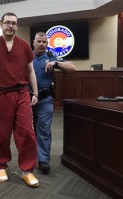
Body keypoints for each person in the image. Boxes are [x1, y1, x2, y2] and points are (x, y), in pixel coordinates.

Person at [0, 12, 39, 188]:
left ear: (17, 26)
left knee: (26, 133)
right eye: (7, 23)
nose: (11, 26)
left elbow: (31, 71)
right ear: (1, 24)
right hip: (1, 94)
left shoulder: (24, 46)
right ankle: (1, 166)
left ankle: (27, 170)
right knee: (1, 133)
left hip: (21, 93)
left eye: (14, 23)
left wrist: (35, 93)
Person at [32, 32, 76, 174]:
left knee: (43, 130)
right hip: (28, 99)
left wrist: (56, 63)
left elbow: (72, 68)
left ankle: (43, 160)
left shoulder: (51, 56)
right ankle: (30, 157)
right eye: (39, 41)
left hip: (45, 99)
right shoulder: (27, 56)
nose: (41, 44)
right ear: (33, 42)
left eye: (44, 42)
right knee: (29, 130)